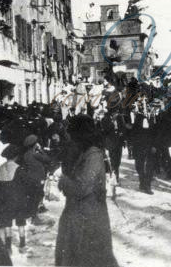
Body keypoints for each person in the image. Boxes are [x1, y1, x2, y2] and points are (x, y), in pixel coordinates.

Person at [56, 114, 118, 267]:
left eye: (71, 132)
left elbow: (83, 187)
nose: (68, 136)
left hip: (89, 218)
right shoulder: (84, 152)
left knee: (91, 257)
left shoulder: (93, 155)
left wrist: (62, 179)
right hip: (81, 215)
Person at [0, 144, 21, 256]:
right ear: (16, 156)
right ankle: (15, 245)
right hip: (14, 197)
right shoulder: (18, 168)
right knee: (16, 221)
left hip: (1, 197)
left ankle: (7, 246)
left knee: (6, 222)